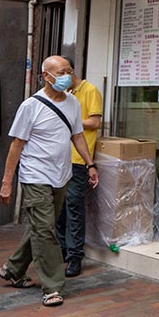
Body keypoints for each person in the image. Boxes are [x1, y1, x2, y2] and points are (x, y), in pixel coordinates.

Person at [0, 55, 99, 307]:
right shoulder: (30, 106)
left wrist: (90, 164)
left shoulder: (73, 103)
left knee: (40, 227)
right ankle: (53, 285)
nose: (67, 75)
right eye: (61, 71)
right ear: (46, 76)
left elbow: (77, 136)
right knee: (45, 230)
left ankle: (13, 268)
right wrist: (6, 182)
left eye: (69, 70)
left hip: (61, 175)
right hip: (35, 176)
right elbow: (16, 145)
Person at [55, 58, 103, 278]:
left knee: (74, 206)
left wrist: (71, 118)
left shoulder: (90, 90)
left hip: (78, 159)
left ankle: (75, 256)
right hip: (58, 159)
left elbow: (94, 122)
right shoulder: (61, 95)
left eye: (60, 73)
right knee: (59, 208)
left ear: (70, 71)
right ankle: (62, 251)